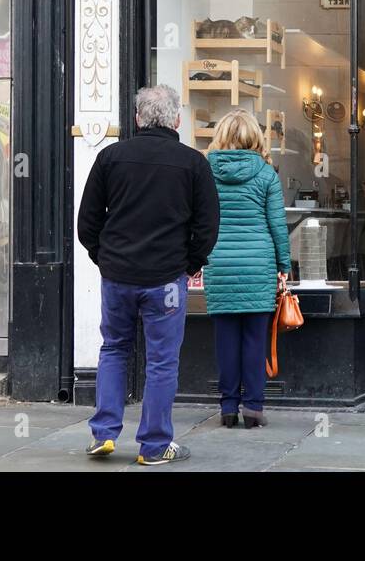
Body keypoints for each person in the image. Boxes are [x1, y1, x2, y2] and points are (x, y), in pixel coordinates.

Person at [77, 84, 219, 466]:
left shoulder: (110, 157)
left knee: (113, 348)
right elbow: (207, 226)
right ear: (176, 120)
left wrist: (103, 258)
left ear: (138, 118)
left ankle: (104, 433)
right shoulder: (193, 163)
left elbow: (87, 221)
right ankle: (154, 446)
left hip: (118, 276)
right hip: (166, 279)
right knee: (161, 361)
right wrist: (190, 264)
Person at [204, 109, 291, 428]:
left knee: (226, 340)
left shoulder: (207, 172)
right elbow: (278, 225)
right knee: (255, 339)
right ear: (255, 136)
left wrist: (198, 258)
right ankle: (253, 408)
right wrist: (284, 265)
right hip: (258, 265)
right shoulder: (267, 174)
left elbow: (200, 221)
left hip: (221, 263)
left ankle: (228, 408)